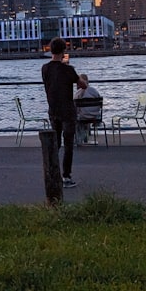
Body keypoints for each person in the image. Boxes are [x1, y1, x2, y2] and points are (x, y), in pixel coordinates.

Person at [41, 38, 86, 188]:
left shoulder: (45, 68)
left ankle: (53, 174)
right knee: (68, 144)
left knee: (56, 143)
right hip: (68, 111)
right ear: (63, 51)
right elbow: (83, 85)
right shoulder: (68, 70)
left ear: (50, 50)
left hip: (53, 110)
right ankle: (66, 176)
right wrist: (73, 71)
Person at [73, 74, 102, 145]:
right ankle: (86, 137)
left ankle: (79, 139)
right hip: (95, 116)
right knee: (85, 113)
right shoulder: (94, 91)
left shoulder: (77, 93)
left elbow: (75, 106)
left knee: (77, 117)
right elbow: (100, 105)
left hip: (82, 117)